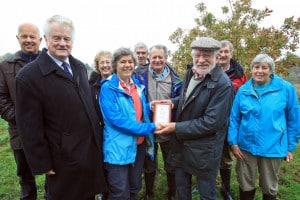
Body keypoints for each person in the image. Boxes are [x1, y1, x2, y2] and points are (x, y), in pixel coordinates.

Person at [15, 15, 107, 200]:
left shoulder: (79, 67)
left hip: (89, 151)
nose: (62, 43)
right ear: (46, 39)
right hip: (62, 158)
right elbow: (28, 127)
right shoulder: (29, 77)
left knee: (88, 194)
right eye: (57, 38)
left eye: (67, 39)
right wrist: (42, 162)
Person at [155, 37, 234, 200]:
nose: (201, 59)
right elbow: (188, 98)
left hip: (204, 150)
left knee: (207, 193)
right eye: (198, 55)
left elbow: (211, 122)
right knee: (182, 189)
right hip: (182, 144)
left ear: (216, 57)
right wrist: (172, 103)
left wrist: (176, 128)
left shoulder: (223, 84)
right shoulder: (191, 73)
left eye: (207, 55)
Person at [228, 53, 300, 200]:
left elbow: (294, 119)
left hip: (273, 147)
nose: (259, 71)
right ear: (252, 69)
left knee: (269, 185)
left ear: (271, 70)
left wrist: (289, 146)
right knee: (245, 182)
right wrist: (233, 143)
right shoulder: (243, 90)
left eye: (264, 68)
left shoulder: (285, 89)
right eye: (256, 67)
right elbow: (234, 118)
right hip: (245, 147)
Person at [99, 47, 162, 200]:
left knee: (134, 186)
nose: (127, 65)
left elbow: (136, 110)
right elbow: (117, 120)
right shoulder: (108, 88)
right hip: (118, 149)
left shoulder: (137, 86)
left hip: (138, 145)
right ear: (115, 65)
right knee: (120, 191)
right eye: (123, 62)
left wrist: (150, 106)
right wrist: (150, 127)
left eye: (130, 61)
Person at [0, 22, 42, 200]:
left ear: (40, 40)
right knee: (25, 178)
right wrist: (20, 118)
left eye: (33, 37)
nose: (29, 40)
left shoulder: (49, 62)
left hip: (49, 130)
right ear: (18, 39)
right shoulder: (6, 66)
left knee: (55, 175)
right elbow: (1, 98)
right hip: (20, 132)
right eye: (24, 36)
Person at [135, 44, 182, 200]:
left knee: (171, 161)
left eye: (160, 57)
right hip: (148, 126)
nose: (157, 60)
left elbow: (182, 99)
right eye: (154, 57)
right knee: (149, 161)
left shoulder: (176, 78)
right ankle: (149, 192)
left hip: (168, 127)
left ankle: (172, 192)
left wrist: (172, 102)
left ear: (166, 58)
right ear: (149, 57)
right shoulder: (139, 75)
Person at [217, 40, 247, 200]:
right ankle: (206, 183)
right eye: (220, 52)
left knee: (226, 158)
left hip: (230, 121)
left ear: (231, 54)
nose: (222, 55)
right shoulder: (209, 70)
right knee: (208, 155)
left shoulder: (239, 75)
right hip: (210, 121)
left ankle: (226, 188)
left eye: (225, 52)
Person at [89, 50, 113, 200]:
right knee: (99, 162)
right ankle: (101, 191)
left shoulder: (119, 82)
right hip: (97, 132)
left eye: (108, 62)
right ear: (98, 66)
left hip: (114, 132)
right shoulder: (91, 86)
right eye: (102, 62)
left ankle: (113, 190)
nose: (105, 65)